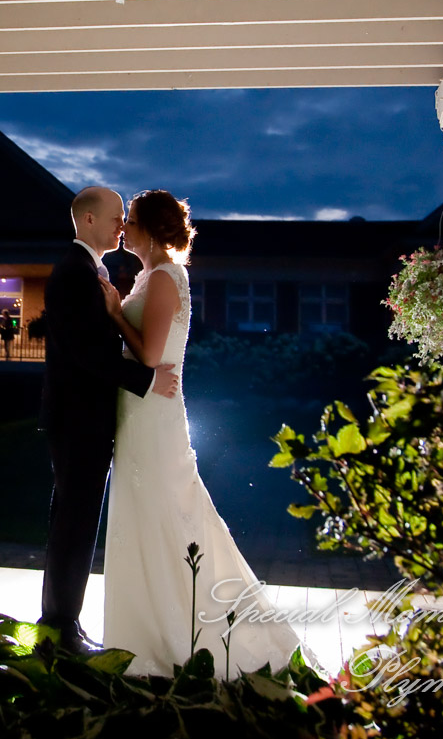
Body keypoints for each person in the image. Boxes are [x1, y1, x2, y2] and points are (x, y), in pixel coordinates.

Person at [100, 189, 306, 676]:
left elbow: (149, 358)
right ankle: (142, 627)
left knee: (167, 514)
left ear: (150, 228)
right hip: (141, 411)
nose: (124, 227)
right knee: (146, 514)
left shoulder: (167, 277)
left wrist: (113, 314)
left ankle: (180, 631)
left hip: (153, 414)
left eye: (130, 219)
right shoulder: (152, 276)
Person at [40, 186, 179, 655]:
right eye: (117, 216)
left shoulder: (90, 270)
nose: (123, 224)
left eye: (127, 217)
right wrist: (144, 381)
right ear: (89, 221)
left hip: (86, 417)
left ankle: (64, 622)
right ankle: (59, 628)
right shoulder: (73, 273)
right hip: (78, 419)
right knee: (74, 525)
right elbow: (83, 355)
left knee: (74, 523)